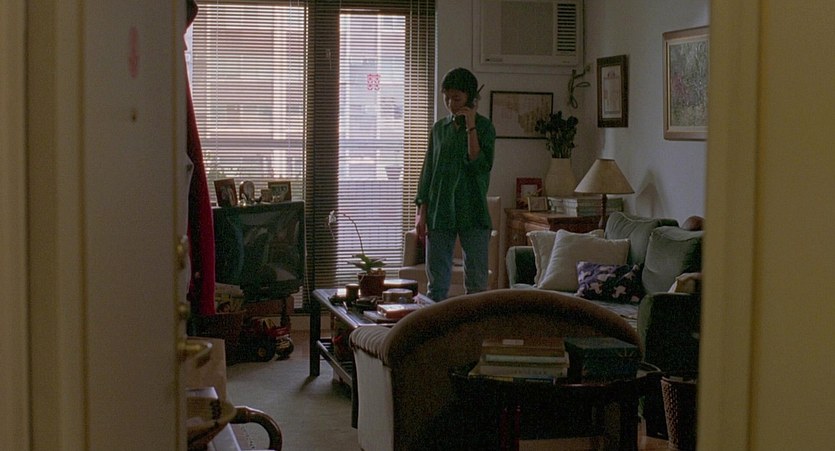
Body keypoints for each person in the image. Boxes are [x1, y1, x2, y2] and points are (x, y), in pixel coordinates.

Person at [414, 67, 496, 301]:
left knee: (477, 284)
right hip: (440, 210)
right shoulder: (439, 129)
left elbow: (479, 164)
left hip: (473, 209)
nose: (450, 104)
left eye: (456, 98)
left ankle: (473, 324)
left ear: (470, 98)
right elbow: (428, 171)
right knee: (437, 285)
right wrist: (421, 212)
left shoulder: (485, 128)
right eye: (447, 97)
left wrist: (471, 126)